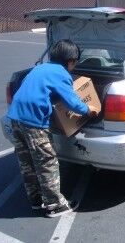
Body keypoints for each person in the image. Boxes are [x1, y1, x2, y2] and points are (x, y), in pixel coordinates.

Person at [7, 39, 99, 217]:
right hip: (33, 123)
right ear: (71, 61)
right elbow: (72, 102)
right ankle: (55, 205)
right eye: (75, 62)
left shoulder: (39, 68)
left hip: (15, 117)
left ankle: (35, 200)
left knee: (27, 162)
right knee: (46, 162)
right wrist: (89, 109)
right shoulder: (61, 74)